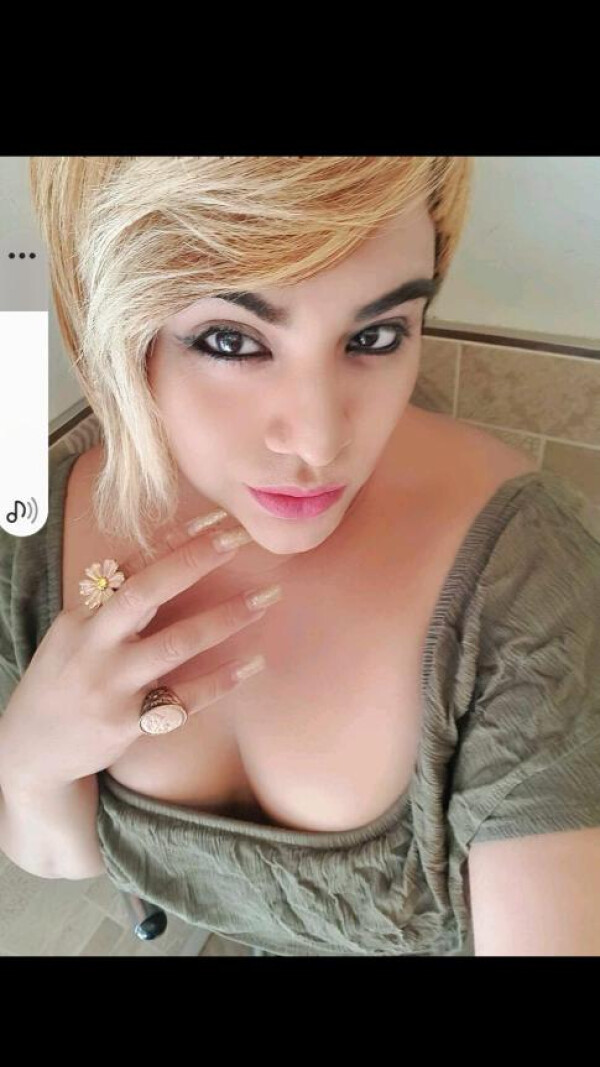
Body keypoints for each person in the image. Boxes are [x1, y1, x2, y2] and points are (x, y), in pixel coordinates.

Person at [0, 157, 599, 957]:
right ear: (112, 320)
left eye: (376, 336)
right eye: (231, 340)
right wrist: (33, 758)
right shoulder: (31, 538)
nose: (319, 440)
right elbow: (61, 856)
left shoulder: (528, 578)